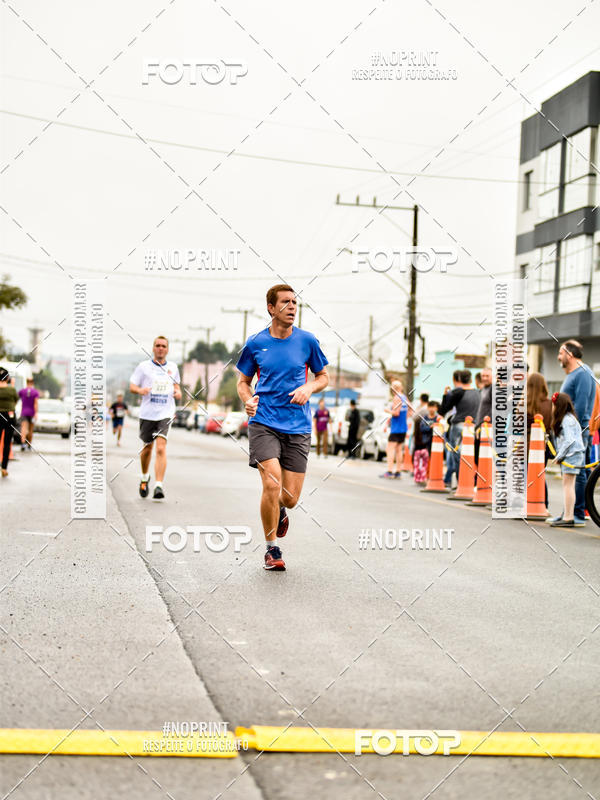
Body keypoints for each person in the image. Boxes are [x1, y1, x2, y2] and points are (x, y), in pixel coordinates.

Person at [236, 284, 329, 571]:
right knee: (270, 482)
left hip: (298, 426)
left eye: (294, 302)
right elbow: (243, 382)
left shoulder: (307, 341)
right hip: (264, 422)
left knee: (289, 496)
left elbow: (323, 376)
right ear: (271, 308)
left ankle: (282, 510)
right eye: (286, 302)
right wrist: (248, 400)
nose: (292, 307)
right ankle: (271, 548)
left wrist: (309, 387)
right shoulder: (255, 343)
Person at [129, 336, 181, 500]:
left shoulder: (173, 367)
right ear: (153, 348)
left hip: (165, 413)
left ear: (167, 349)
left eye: (163, 346)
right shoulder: (143, 367)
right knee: (147, 449)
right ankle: (145, 477)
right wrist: (140, 391)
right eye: (158, 345)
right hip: (147, 414)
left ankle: (159, 485)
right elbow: (132, 386)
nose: (160, 348)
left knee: (160, 448)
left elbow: (177, 388)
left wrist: (178, 393)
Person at [557, 340, 596, 526]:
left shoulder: (583, 373)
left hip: (577, 432)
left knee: (577, 473)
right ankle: (570, 512)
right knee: (574, 474)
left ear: (569, 354)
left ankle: (577, 514)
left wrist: (573, 432)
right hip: (571, 431)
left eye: (560, 353)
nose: (558, 357)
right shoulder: (573, 374)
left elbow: (580, 406)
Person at [549, 392, 586, 527]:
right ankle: (567, 515)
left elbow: (569, 440)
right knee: (569, 485)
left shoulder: (566, 420)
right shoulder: (569, 418)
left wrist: (559, 456)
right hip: (573, 455)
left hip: (572, 455)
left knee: (568, 486)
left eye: (553, 405)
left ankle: (568, 517)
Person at [440, 369, 480, 489]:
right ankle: (471, 482)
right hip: (473, 426)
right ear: (471, 379)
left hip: (459, 426)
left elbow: (443, 410)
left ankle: (461, 482)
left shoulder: (457, 392)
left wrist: (445, 395)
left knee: (458, 456)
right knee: (470, 455)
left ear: (457, 380)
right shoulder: (478, 392)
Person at [381, 380, 408, 479]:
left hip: (396, 428)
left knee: (390, 449)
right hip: (403, 427)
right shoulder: (404, 397)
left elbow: (396, 413)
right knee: (399, 450)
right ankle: (398, 471)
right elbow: (409, 410)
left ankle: (389, 471)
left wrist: (387, 410)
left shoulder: (397, 398)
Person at [413, 400, 439, 485]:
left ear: (436, 408)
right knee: (426, 460)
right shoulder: (425, 419)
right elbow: (422, 429)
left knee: (434, 459)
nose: (432, 409)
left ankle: (432, 475)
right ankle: (425, 476)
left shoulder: (438, 418)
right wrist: (431, 427)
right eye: (430, 407)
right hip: (426, 442)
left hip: (437, 442)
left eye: (434, 407)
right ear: (428, 408)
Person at [0, 368, 18, 477]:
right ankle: (4, 467)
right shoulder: (11, 390)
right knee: (7, 442)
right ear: (7, 378)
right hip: (9, 416)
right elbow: (15, 400)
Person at [18, 377, 39, 451]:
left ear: (27, 382)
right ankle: (29, 444)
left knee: (23, 429)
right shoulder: (35, 392)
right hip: (32, 413)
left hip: (24, 412)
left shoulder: (22, 391)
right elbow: (36, 404)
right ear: (32, 383)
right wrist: (36, 413)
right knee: (30, 430)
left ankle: (23, 444)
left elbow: (18, 399)